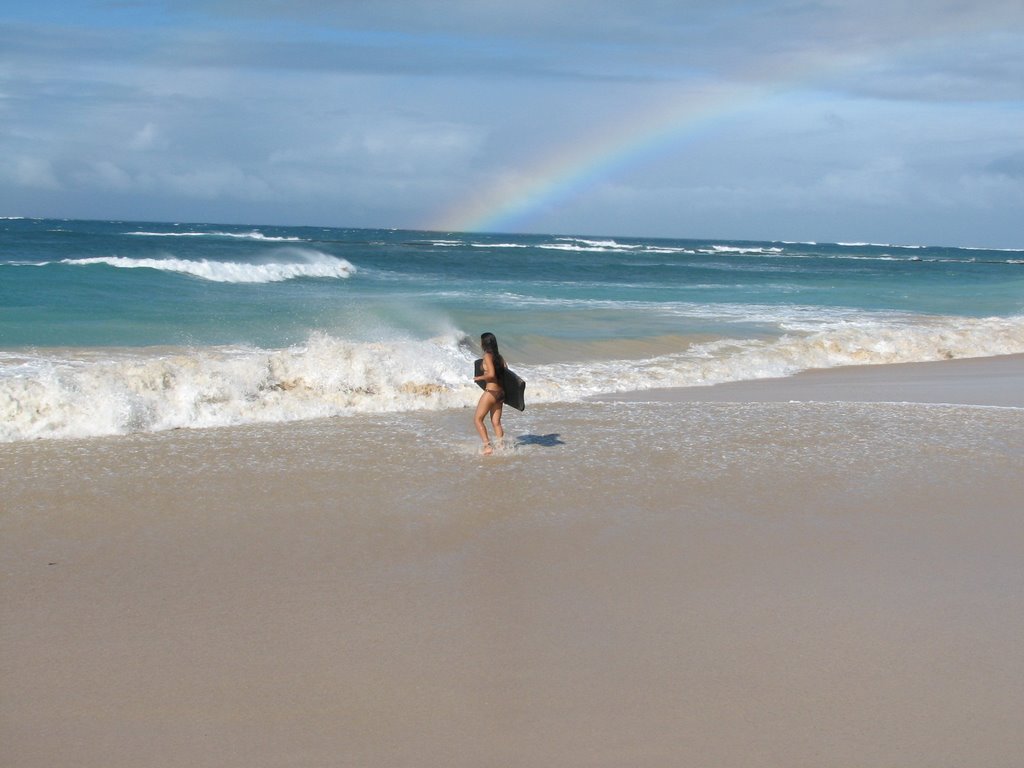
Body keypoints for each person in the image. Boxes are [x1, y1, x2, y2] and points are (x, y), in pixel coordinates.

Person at [473, 332, 506, 456]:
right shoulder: (500, 357)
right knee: (496, 422)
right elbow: (506, 373)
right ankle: (501, 446)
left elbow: (491, 374)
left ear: (484, 343)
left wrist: (479, 378)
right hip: (500, 393)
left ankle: (487, 446)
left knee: (477, 419)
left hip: (491, 392)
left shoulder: (487, 356)